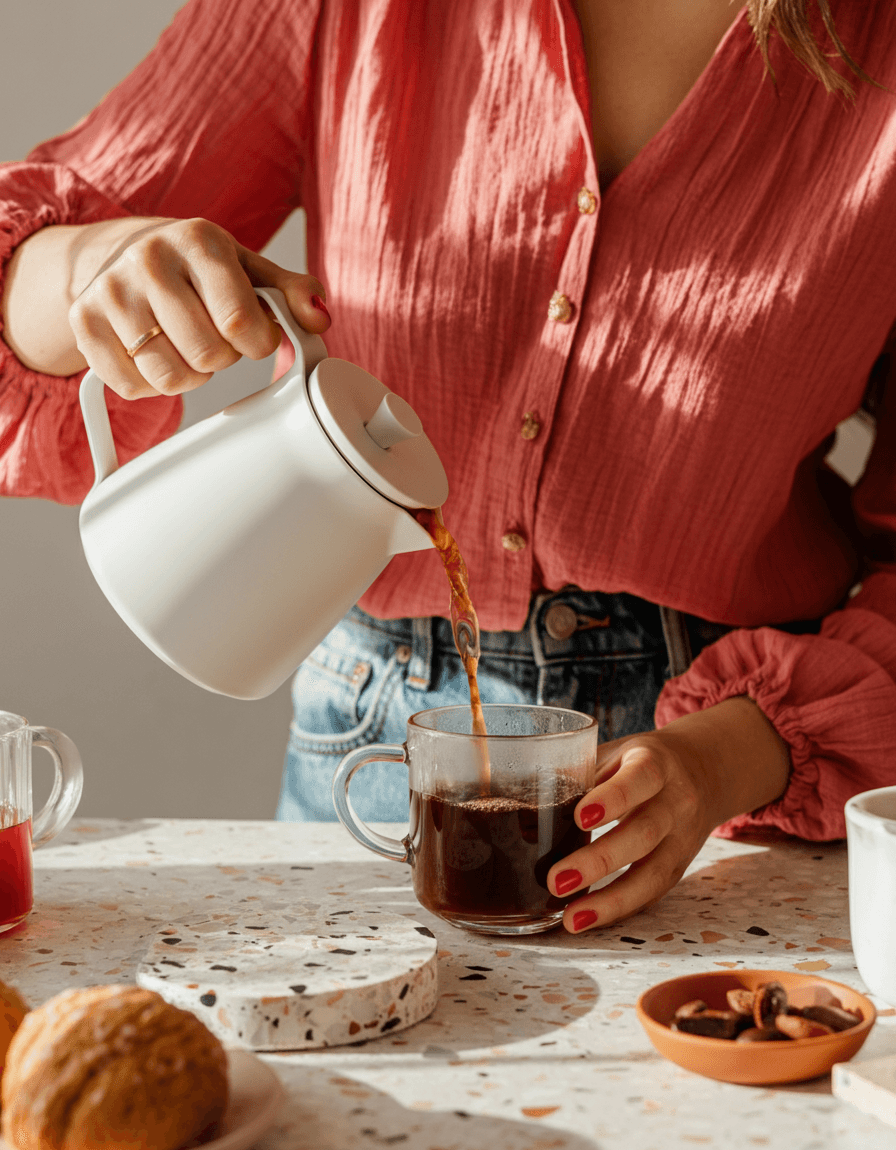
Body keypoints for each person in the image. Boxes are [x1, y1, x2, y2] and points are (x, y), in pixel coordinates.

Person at [2, 0, 895, 936]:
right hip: (375, 746)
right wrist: (90, 274)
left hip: (744, 790)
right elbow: (28, 267)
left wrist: (734, 757)